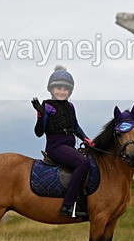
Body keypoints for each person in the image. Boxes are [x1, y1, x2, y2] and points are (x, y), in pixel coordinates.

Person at [31, 65, 94, 218]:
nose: (62, 92)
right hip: (55, 146)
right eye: (58, 88)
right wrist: (40, 116)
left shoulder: (70, 106)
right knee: (83, 163)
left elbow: (75, 126)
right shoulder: (47, 107)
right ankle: (69, 204)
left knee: (91, 162)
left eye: (65, 89)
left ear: (70, 91)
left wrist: (86, 138)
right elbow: (39, 133)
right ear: (51, 90)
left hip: (68, 145)